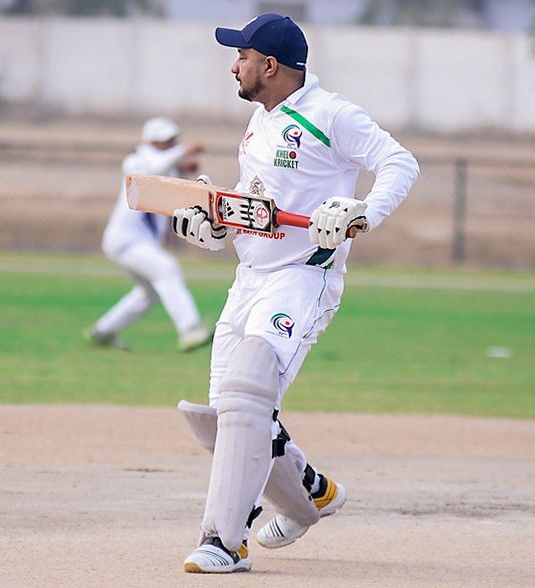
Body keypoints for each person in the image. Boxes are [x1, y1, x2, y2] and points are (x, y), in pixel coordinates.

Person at [172, 14, 420, 573]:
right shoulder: (261, 121)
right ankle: (311, 495)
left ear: (269, 65)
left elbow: (399, 162)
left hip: (303, 276)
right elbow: (257, 201)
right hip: (249, 279)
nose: (234, 66)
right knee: (224, 420)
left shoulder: (330, 114)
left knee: (247, 393)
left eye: (241, 56)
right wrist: (216, 225)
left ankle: (224, 541)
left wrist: (361, 211)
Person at [85, 117, 213, 352]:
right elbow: (153, 170)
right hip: (126, 240)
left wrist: (183, 169)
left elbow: (166, 177)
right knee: (168, 270)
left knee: (148, 294)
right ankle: (190, 329)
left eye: (173, 140)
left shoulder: (164, 164)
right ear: (151, 141)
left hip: (138, 241)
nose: (171, 144)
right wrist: (183, 152)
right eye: (166, 140)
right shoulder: (135, 160)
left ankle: (102, 332)